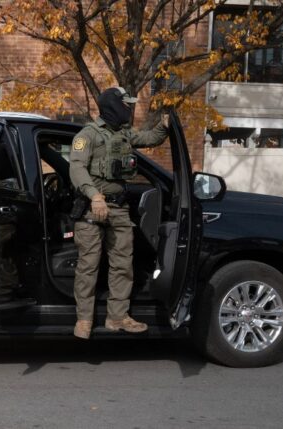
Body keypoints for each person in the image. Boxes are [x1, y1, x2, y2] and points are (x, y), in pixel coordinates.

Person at [69, 87, 169, 339]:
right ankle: (84, 319)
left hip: (119, 208)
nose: (129, 109)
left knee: (123, 265)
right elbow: (77, 169)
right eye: (125, 104)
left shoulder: (124, 134)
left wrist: (165, 126)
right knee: (88, 267)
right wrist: (94, 196)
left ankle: (117, 317)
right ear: (113, 106)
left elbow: (149, 139)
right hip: (93, 209)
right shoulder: (87, 135)